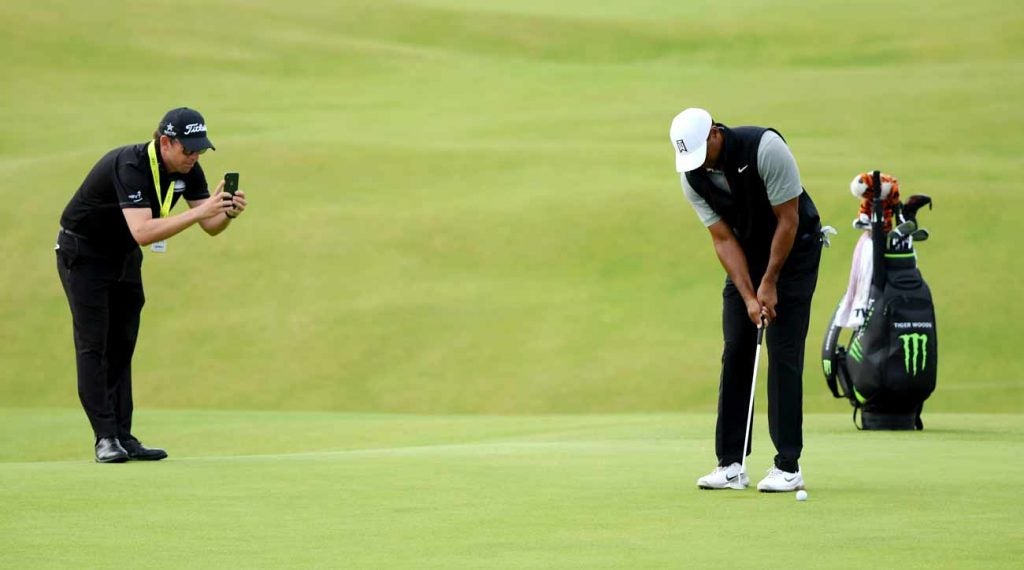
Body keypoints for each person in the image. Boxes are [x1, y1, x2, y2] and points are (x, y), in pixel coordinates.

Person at [55, 107, 246, 463]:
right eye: (188, 149)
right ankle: (105, 438)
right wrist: (200, 213)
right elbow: (144, 232)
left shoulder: (189, 169)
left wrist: (227, 213)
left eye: (200, 149)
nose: (194, 156)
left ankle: (124, 437)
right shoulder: (130, 166)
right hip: (84, 254)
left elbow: (210, 225)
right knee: (94, 345)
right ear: (165, 142)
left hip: (123, 256)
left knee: (123, 343)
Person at [669, 107, 822, 492]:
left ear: (715, 134)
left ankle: (788, 465)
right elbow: (722, 239)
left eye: (702, 153)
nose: (698, 165)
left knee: (783, 350)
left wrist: (769, 283)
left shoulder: (765, 149)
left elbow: (789, 220)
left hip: (795, 251)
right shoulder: (692, 178)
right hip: (747, 256)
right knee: (737, 347)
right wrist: (749, 295)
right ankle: (731, 464)